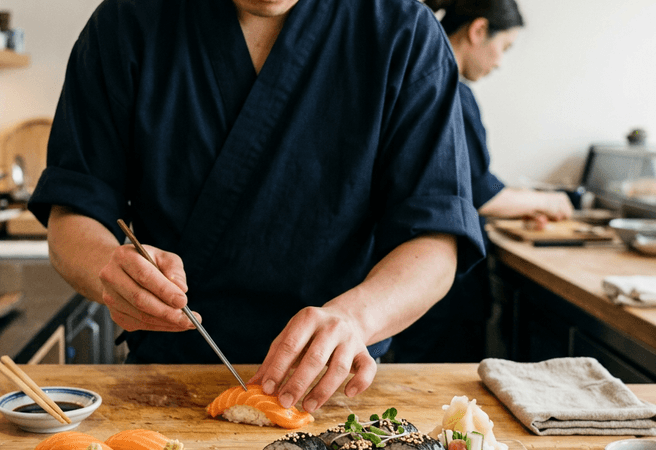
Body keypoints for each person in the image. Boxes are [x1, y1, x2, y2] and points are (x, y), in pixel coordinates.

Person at [28, 0, 485, 413]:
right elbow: (73, 213)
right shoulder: (125, 23)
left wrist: (357, 317)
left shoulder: (402, 30)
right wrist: (110, 266)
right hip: (165, 377)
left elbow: (435, 241)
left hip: (339, 386)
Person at [390, 0, 574, 363]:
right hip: (442, 286)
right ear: (477, 31)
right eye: (503, 47)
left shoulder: (422, 87)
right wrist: (546, 201)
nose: (500, 62)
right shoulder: (449, 93)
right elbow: (473, 192)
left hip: (413, 277)